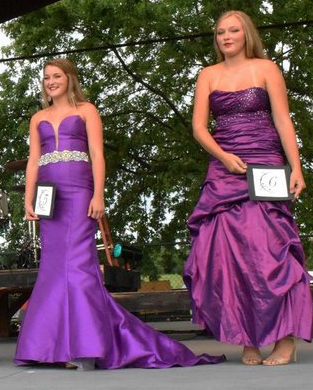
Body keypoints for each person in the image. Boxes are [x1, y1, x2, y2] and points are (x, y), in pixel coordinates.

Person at [14, 59, 224, 370]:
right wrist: (28, 199)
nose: (50, 81)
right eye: (46, 77)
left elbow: (97, 153)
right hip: (49, 195)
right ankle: (50, 346)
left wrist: (99, 194)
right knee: (54, 265)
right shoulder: (37, 117)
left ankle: (86, 346)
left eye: (56, 76)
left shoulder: (87, 110)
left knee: (79, 264)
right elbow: (33, 159)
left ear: (70, 79)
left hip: (78, 189)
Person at [183, 10, 312, 366]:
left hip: (266, 162)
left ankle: (286, 338)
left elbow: (283, 119)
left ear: (246, 33)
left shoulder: (266, 68)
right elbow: (199, 128)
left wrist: (296, 167)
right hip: (225, 168)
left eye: (233, 30)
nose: (226, 36)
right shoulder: (207, 75)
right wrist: (223, 157)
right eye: (221, 32)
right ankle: (247, 338)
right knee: (227, 253)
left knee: (271, 248)